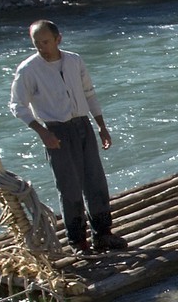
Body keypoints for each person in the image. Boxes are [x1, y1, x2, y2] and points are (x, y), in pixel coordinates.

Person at [9, 20, 128, 254]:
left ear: (58, 39)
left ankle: (102, 234)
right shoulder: (28, 69)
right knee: (69, 188)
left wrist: (101, 126)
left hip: (83, 124)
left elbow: (89, 93)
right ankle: (77, 241)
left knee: (95, 182)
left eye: (45, 42)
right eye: (36, 43)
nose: (41, 47)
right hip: (56, 130)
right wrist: (43, 132)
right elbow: (17, 105)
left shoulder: (74, 61)